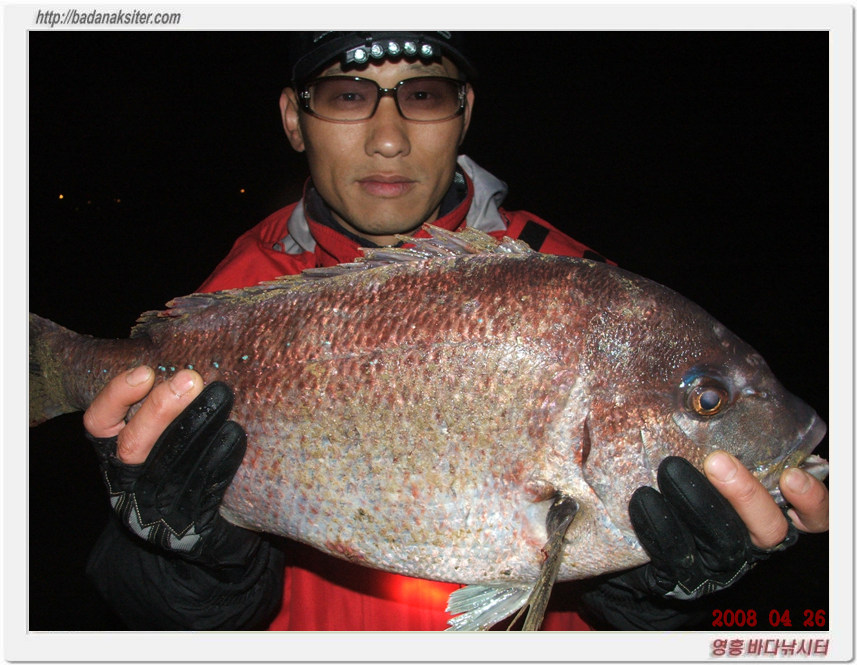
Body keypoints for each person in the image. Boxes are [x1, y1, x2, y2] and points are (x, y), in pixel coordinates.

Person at [81, 31, 829, 631]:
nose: (388, 138)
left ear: (464, 112)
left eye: (423, 95)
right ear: (292, 118)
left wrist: (656, 597)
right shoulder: (226, 305)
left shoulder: (581, 285)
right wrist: (191, 560)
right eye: (348, 96)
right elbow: (143, 609)